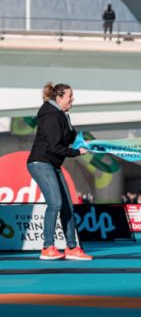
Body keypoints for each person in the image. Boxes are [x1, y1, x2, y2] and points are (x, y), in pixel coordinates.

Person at [27, 83, 92, 261]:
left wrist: (89, 143)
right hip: (40, 163)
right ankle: (47, 247)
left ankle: (72, 247)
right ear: (59, 98)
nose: (73, 99)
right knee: (55, 203)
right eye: (70, 97)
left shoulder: (62, 116)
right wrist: (77, 152)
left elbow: (71, 137)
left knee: (67, 206)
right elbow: (55, 147)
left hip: (52, 164)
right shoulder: (49, 115)